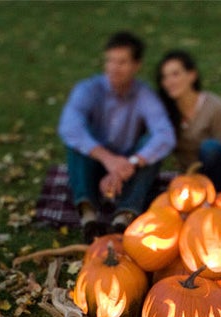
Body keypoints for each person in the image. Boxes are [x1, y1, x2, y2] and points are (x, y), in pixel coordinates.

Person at [58, 31, 176, 243]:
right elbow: (69, 126)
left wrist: (128, 164)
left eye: (122, 62)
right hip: (93, 162)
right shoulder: (88, 89)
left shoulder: (144, 94)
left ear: (136, 65)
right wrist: (107, 159)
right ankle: (89, 217)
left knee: (151, 144)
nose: (113, 67)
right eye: (110, 61)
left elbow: (165, 134)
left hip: (127, 167)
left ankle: (124, 216)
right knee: (78, 137)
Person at [156, 49, 221, 192]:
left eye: (175, 74)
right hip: (192, 182)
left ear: (192, 75)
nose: (169, 82)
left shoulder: (215, 107)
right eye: (165, 77)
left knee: (210, 148)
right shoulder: (166, 112)